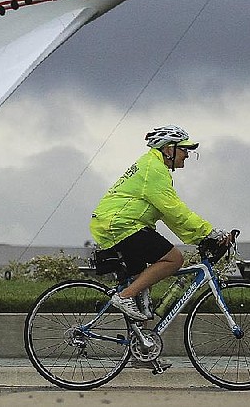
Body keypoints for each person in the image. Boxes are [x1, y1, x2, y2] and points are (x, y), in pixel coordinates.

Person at [89, 124, 230, 320]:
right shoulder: (154, 170)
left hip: (118, 224)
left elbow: (168, 215)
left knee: (143, 294)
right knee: (174, 259)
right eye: (183, 149)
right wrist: (208, 231)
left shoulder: (152, 166)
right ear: (167, 149)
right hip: (122, 225)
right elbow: (174, 209)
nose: (187, 155)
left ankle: (141, 345)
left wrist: (199, 237)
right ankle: (124, 296)